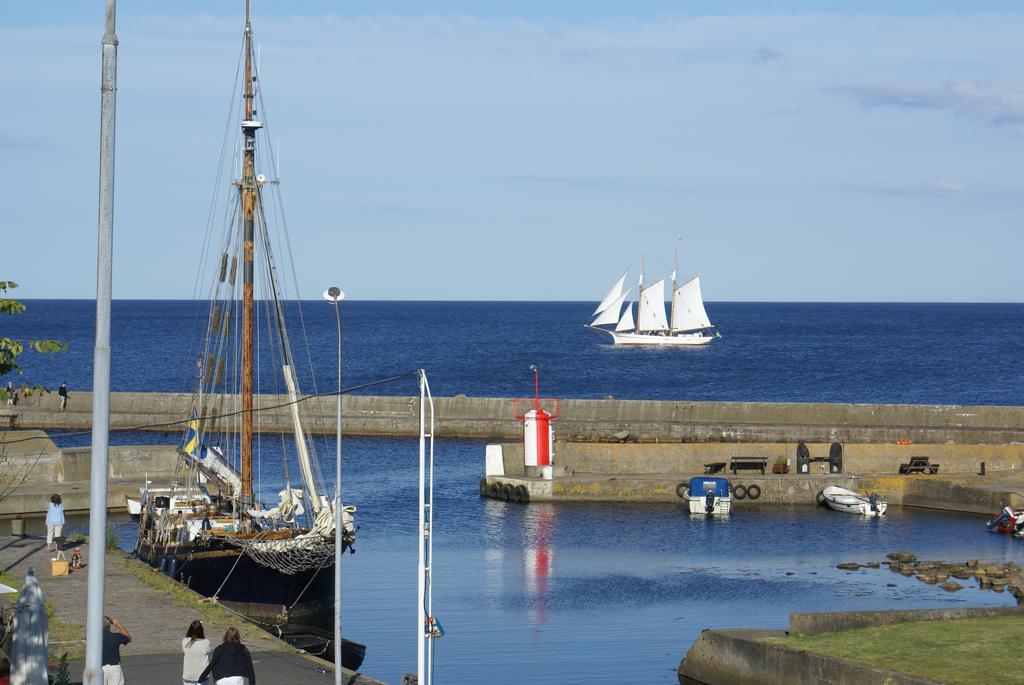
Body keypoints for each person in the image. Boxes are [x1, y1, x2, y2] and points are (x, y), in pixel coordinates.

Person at [102, 616, 132, 685]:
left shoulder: (93, 639)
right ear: (109, 626)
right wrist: (118, 624)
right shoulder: (116, 637)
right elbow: (128, 638)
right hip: (114, 668)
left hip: (99, 668)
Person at [182, 619, 213, 685]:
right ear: (202, 630)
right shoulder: (206, 642)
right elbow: (210, 650)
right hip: (202, 676)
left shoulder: (184, 641)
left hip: (188, 675)